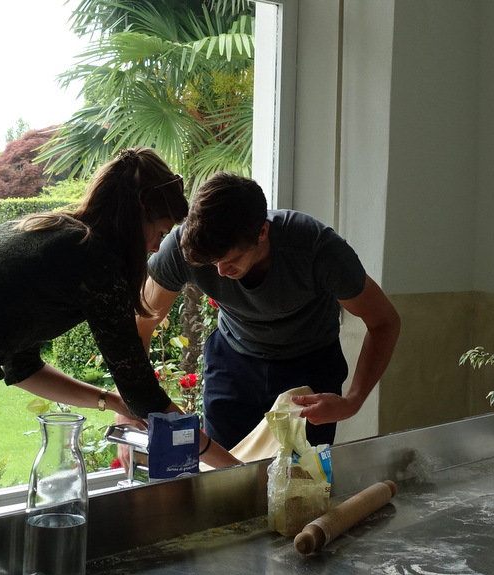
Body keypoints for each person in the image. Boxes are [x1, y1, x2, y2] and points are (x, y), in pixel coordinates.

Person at [0, 147, 239, 535]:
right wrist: (237, 472)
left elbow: (22, 369)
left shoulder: (45, 232)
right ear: (136, 214)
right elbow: (146, 395)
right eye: (159, 231)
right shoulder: (93, 255)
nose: (156, 246)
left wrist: (111, 402)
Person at [136, 172, 401, 450]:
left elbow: (384, 321)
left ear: (262, 232)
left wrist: (352, 402)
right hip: (233, 361)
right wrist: (132, 404)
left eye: (231, 260)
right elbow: (140, 329)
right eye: (211, 262)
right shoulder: (183, 247)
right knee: (225, 472)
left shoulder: (317, 249)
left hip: (311, 363)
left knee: (301, 479)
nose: (220, 272)